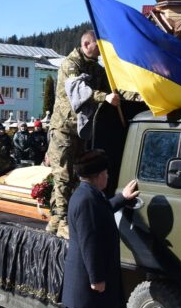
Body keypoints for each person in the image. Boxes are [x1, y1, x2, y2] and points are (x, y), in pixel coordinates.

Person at [53, 150, 139, 308]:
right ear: (98, 176)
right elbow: (90, 242)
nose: (108, 177)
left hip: (88, 273)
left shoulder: (91, 194)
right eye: (106, 173)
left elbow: (105, 210)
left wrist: (123, 197)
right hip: (84, 274)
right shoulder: (86, 199)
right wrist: (95, 278)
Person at [47, 31, 129, 237]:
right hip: (63, 128)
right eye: (98, 46)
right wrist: (105, 97)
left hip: (80, 130)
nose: (101, 51)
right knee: (63, 174)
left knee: (76, 174)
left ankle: (56, 219)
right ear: (86, 43)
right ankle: (64, 222)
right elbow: (79, 91)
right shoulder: (71, 64)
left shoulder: (95, 68)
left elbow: (114, 88)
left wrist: (136, 94)